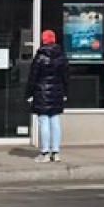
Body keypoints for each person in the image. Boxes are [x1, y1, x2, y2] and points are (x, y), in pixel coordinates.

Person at [26, 30, 69, 163]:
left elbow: (33, 77)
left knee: (44, 121)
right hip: (57, 92)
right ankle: (55, 152)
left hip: (41, 92)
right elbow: (66, 77)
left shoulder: (40, 57)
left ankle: (44, 153)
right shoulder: (61, 56)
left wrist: (29, 93)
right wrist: (65, 92)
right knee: (55, 121)